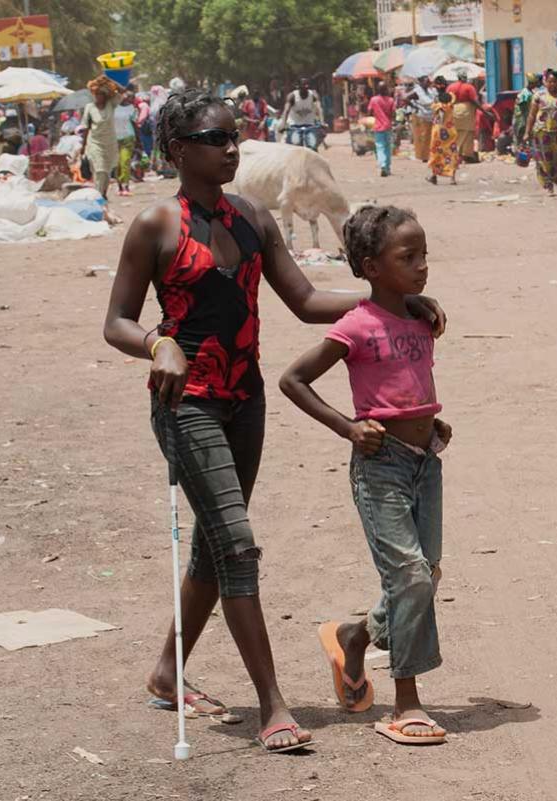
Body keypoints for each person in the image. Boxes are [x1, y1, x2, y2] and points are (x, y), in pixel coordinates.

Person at [102, 89, 446, 755]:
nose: (231, 147)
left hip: (245, 400)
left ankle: (167, 671)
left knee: (214, 545)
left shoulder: (253, 217)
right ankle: (273, 702)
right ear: (177, 149)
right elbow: (115, 319)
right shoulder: (155, 225)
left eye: (235, 134)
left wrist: (394, 301)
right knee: (237, 544)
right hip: (188, 401)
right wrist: (155, 342)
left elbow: (308, 300)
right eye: (214, 137)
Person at [279, 205, 453, 748]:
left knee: (424, 574)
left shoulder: (422, 316)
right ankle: (407, 703)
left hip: (425, 463)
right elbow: (293, 380)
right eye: (408, 257)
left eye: (424, 254)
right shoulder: (355, 325)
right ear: (370, 266)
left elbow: (405, 379)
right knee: (411, 578)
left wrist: (425, 415)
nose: (422, 266)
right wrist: (349, 428)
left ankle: (353, 636)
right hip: (381, 468)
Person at [525, 69, 557, 194]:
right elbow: (531, 115)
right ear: (545, 82)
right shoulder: (538, 96)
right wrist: (527, 132)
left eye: (554, 82)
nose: (552, 84)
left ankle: (556, 178)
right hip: (542, 133)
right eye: (549, 81)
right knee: (544, 159)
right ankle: (548, 184)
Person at [81, 75, 123, 214]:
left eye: (101, 94)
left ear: (105, 95)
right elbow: (86, 127)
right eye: (96, 94)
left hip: (110, 143)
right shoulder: (89, 107)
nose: (98, 97)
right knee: (99, 171)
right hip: (95, 143)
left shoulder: (111, 104)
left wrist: (111, 81)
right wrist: (82, 148)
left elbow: (122, 92)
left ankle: (103, 194)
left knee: (107, 172)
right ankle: (98, 198)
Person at [425, 87, 460, 185]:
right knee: (452, 154)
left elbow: (439, 118)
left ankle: (434, 176)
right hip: (451, 132)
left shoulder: (439, 107)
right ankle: (452, 178)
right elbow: (452, 96)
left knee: (437, 154)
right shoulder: (451, 106)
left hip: (439, 134)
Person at [446, 71, 481, 162]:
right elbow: (475, 101)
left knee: (455, 132)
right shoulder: (469, 87)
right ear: (465, 77)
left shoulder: (450, 87)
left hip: (453, 110)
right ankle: (465, 154)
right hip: (466, 110)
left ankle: (456, 154)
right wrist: (485, 112)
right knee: (467, 133)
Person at [282, 79, 323, 149]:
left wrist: (322, 122)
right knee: (295, 144)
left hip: (309, 125)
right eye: (303, 85)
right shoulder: (292, 96)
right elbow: (286, 110)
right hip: (294, 125)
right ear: (298, 87)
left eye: (307, 85)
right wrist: (283, 124)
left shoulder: (313, 95)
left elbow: (319, 108)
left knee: (312, 145)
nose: (306, 87)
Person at [368, 82, 397, 178]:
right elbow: (393, 113)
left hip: (378, 126)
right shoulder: (391, 100)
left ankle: (383, 166)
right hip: (388, 126)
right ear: (386, 89)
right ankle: (387, 167)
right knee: (388, 147)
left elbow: (370, 111)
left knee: (380, 147)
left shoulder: (374, 99)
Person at [115, 89, 139, 196]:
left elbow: (135, 124)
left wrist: (139, 140)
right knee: (117, 164)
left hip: (128, 138)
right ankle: (119, 185)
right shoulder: (112, 108)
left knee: (125, 161)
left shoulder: (131, 109)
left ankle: (126, 185)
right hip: (114, 139)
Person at [408, 76, 436, 162]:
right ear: (421, 82)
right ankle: (422, 156)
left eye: (428, 82)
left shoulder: (429, 90)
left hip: (430, 116)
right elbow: (405, 98)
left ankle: (428, 155)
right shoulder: (417, 91)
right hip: (420, 116)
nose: (428, 83)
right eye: (426, 82)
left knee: (429, 137)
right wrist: (414, 107)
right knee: (421, 137)